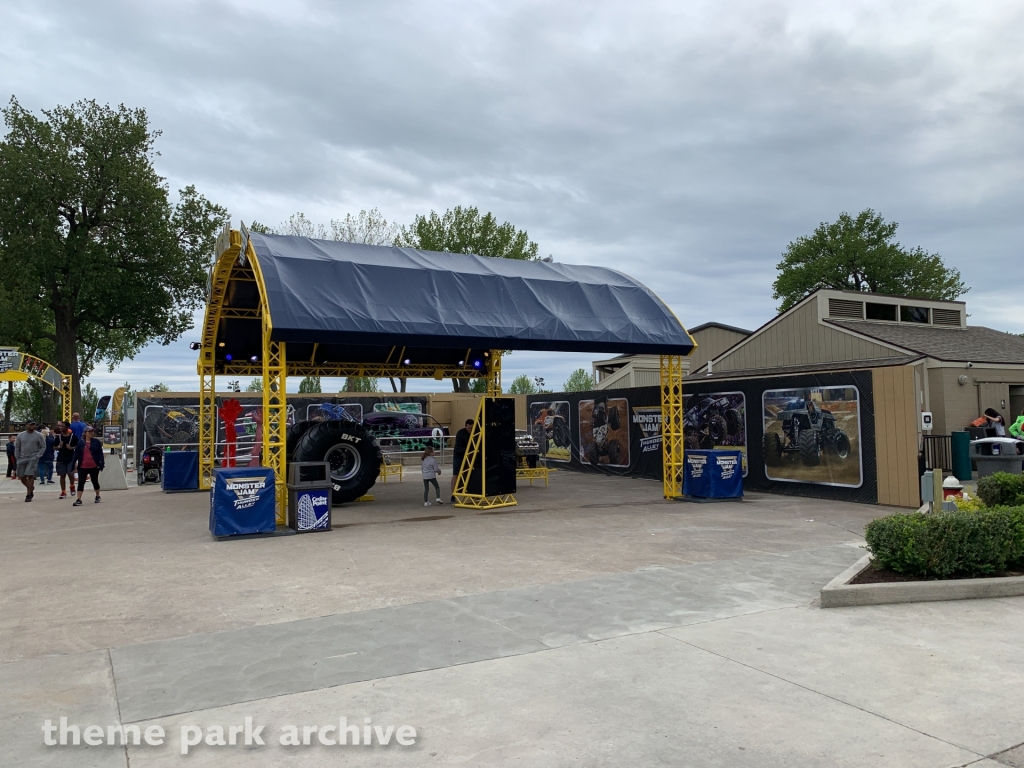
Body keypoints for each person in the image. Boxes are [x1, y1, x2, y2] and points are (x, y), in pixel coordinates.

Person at [70, 425, 104, 506]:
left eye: (92, 431)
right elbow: (76, 454)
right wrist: (73, 464)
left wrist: (101, 463)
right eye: (89, 432)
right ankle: (79, 499)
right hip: (83, 466)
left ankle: (97, 495)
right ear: (85, 433)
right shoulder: (80, 443)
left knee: (95, 481)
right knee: (81, 482)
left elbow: (100, 453)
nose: (91, 433)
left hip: (94, 465)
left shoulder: (96, 442)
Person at [14, 420, 46, 502]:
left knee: (30, 475)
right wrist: (17, 457)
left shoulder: (38, 435)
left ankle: (28, 495)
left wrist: (38, 456)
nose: (33, 426)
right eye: (31, 424)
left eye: (34, 425)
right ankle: (30, 487)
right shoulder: (20, 435)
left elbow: (43, 446)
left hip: (33, 457)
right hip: (22, 457)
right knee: (21, 476)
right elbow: (17, 447)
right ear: (26, 425)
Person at [54, 421, 78, 499]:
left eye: (62, 426)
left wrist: (72, 447)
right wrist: (58, 447)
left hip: (70, 458)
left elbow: (78, 446)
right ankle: (63, 491)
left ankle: (72, 485)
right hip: (61, 458)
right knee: (62, 475)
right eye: (60, 426)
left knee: (70, 474)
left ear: (67, 427)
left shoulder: (73, 437)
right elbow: (53, 447)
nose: (60, 428)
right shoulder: (59, 437)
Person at [450, 418, 473, 501]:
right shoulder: (460, 433)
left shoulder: (475, 433)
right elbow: (457, 448)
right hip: (459, 456)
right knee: (456, 474)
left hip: (470, 456)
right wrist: (467, 451)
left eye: (471, 429)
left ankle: (471, 491)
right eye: (468, 429)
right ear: (465, 426)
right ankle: (453, 495)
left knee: (471, 474)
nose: (470, 430)